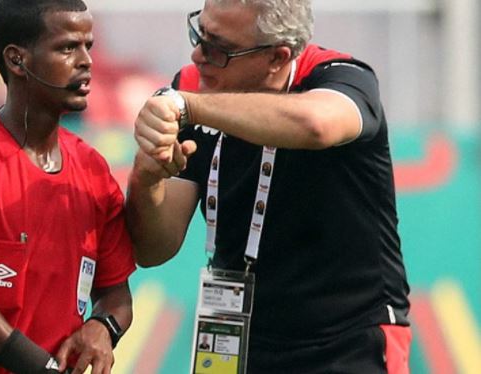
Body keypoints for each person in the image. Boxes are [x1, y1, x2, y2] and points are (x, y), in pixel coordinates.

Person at [126, 0, 411, 372]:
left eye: (218, 47)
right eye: (199, 33)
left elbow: (316, 125)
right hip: (239, 338)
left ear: (277, 58)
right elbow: (153, 249)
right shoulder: (193, 86)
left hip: (346, 342)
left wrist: (190, 107)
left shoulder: (345, 77)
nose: (198, 55)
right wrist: (146, 179)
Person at [0, 1, 135, 373]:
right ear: (17, 60)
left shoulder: (93, 169)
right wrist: (43, 369)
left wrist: (103, 326)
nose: (86, 61)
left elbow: (116, 295)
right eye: (67, 47)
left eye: (88, 47)